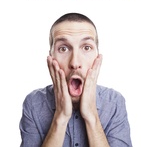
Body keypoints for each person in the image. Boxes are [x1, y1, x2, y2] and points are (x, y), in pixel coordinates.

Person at [20, 12, 132, 146]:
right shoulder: (33, 103)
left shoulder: (114, 102)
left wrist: (92, 117)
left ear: (97, 58)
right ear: (51, 58)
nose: (74, 62)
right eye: (63, 48)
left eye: (86, 47)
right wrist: (60, 118)